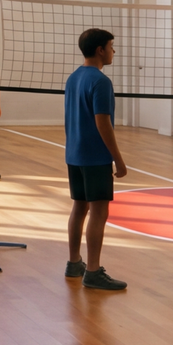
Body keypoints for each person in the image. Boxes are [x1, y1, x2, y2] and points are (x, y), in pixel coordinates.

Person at [64, 28, 129, 291]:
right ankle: (92, 271)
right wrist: (119, 160)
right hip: (94, 157)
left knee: (80, 208)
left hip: (74, 154)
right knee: (99, 212)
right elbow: (103, 123)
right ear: (101, 50)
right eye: (112, 46)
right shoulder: (101, 81)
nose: (114, 51)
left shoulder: (73, 78)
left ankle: (73, 263)